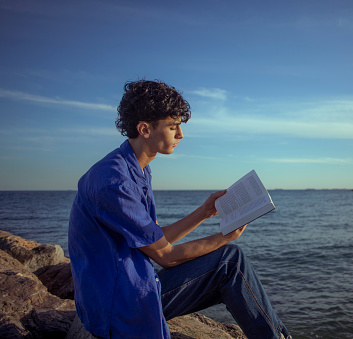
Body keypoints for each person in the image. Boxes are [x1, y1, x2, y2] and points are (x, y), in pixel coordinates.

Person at [68, 80, 291, 339]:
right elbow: (166, 256)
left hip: (125, 288)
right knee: (230, 261)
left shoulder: (133, 168)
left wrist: (205, 211)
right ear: (144, 129)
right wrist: (224, 238)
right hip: (119, 306)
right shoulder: (115, 183)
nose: (181, 135)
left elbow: (154, 239)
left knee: (228, 267)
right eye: (173, 127)